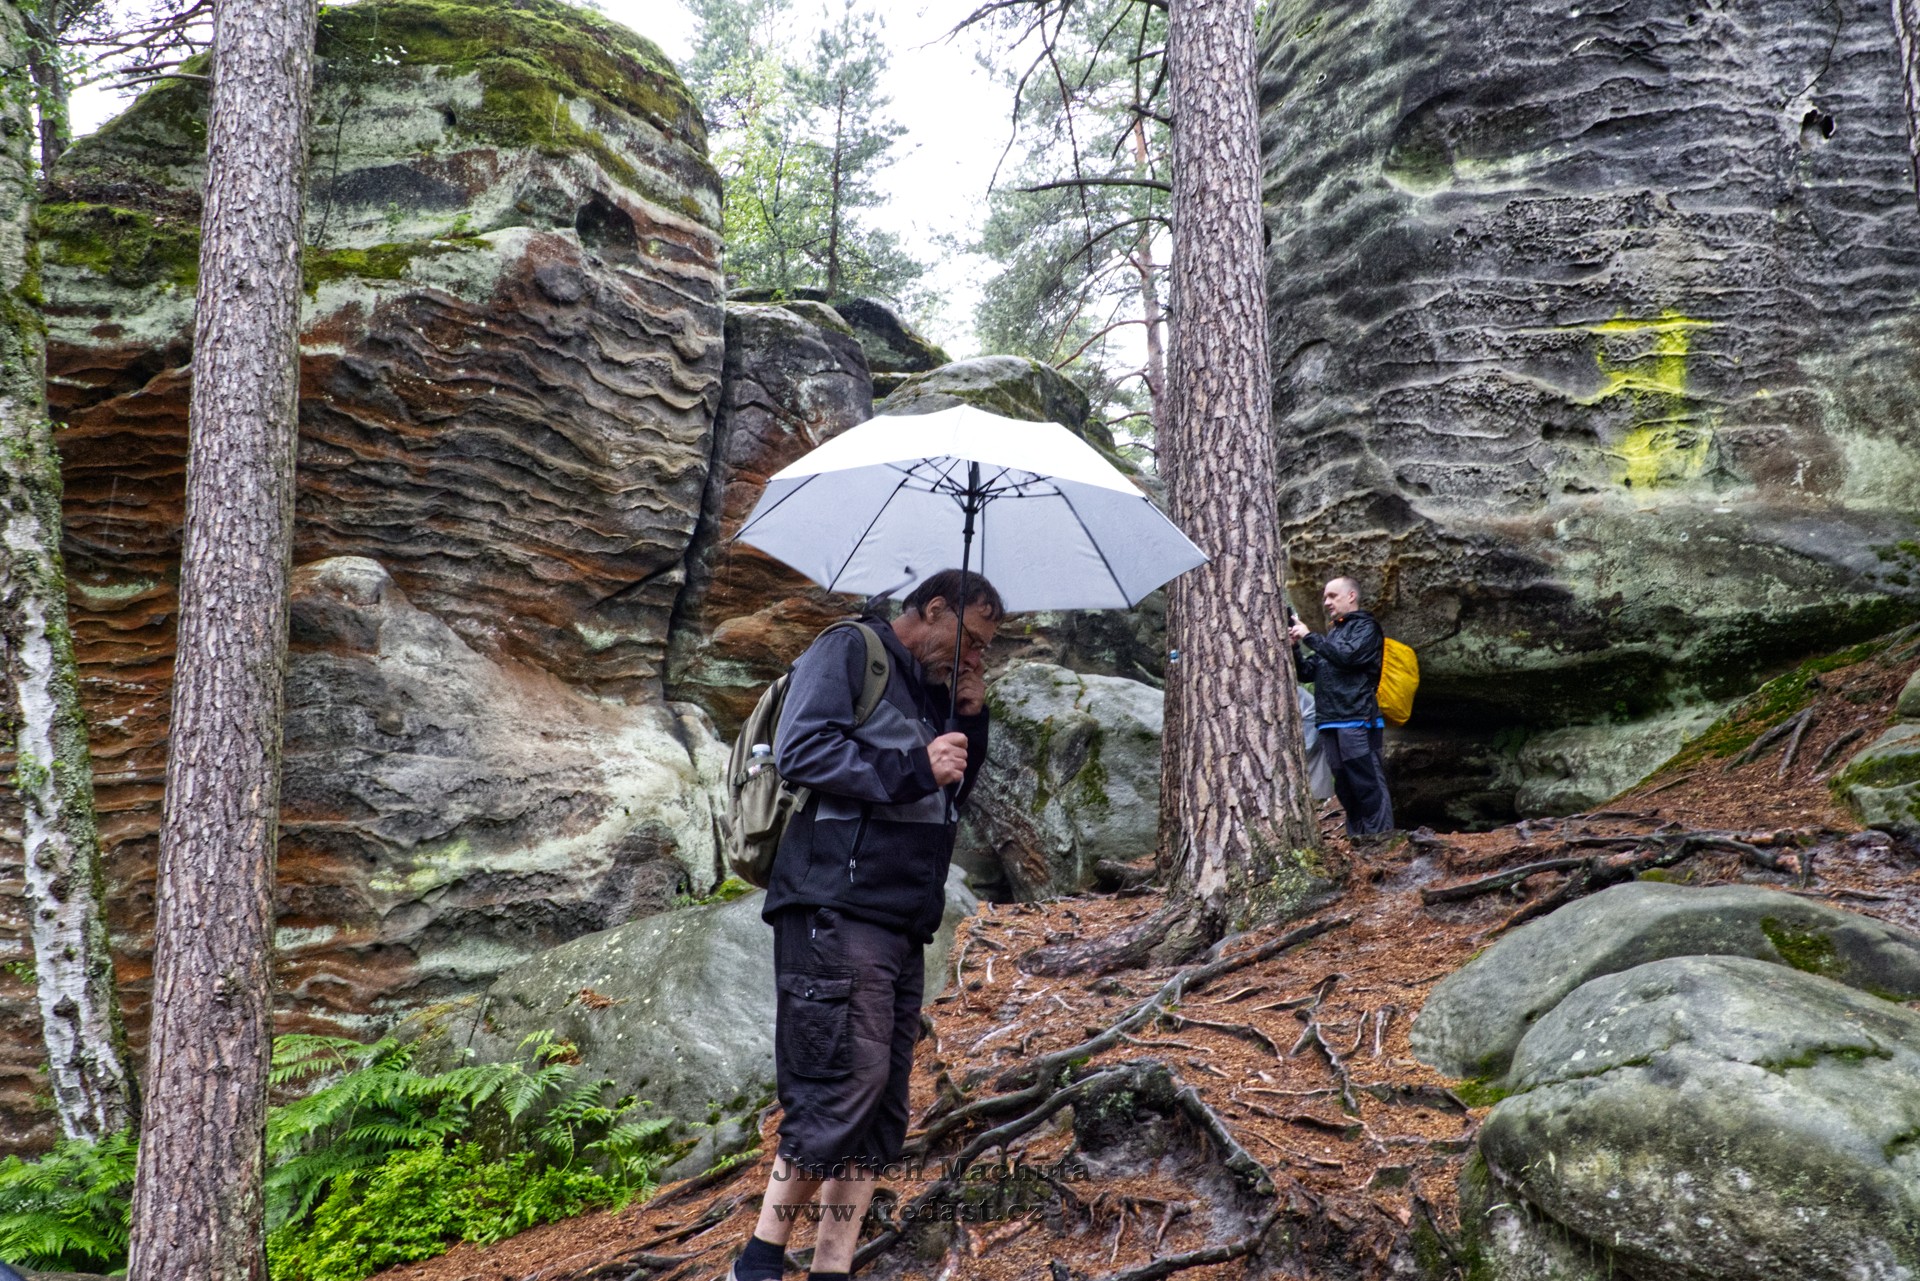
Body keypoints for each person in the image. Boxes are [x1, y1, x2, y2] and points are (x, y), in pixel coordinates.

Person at [731, 569, 1002, 1281]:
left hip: (899, 919)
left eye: (985, 649)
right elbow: (803, 750)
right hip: (834, 904)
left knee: (880, 1105)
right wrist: (916, 764)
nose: (975, 656)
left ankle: (833, 1266)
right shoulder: (849, 648)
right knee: (842, 1084)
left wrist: (969, 719)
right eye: (972, 640)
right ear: (934, 609)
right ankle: (758, 1259)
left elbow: (945, 800)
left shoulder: (933, 688)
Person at [1289, 576, 1394, 837]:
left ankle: (1381, 840)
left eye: (1332, 596)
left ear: (1351, 596)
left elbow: (1348, 657)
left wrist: (1310, 636)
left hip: (1357, 717)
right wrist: (1295, 648)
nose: (1326, 602)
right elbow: (1307, 672)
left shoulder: (1366, 628)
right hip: (1330, 720)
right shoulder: (1334, 633)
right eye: (1325, 597)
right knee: (1345, 785)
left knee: (1366, 781)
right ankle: (1358, 837)